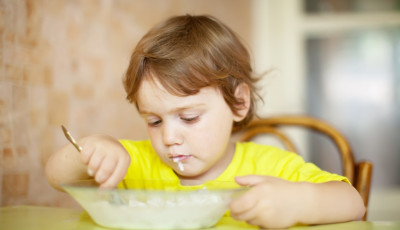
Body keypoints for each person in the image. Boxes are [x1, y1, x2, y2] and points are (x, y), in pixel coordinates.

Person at [45, 14, 365, 229]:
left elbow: (353, 203)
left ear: (238, 103)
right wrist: (91, 150)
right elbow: (56, 176)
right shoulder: (132, 163)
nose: (169, 137)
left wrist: (299, 202)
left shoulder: (268, 166)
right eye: (154, 121)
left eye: (189, 117)